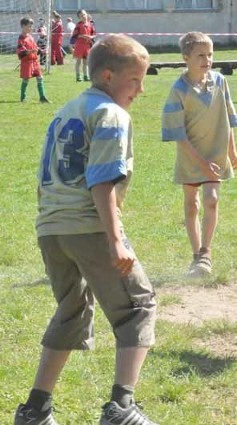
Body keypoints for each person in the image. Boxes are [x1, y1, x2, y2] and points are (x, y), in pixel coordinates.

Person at [14, 34, 158, 425]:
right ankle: (122, 409)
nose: (141, 90)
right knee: (138, 307)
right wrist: (114, 240)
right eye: (135, 80)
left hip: (51, 228)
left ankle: (35, 410)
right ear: (109, 76)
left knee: (72, 310)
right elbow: (101, 181)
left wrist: (51, 223)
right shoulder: (112, 115)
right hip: (89, 226)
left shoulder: (68, 108)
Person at [161, 32, 237, 277]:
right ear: (186, 58)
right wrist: (201, 162)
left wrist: (232, 151)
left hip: (216, 154)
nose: (207, 60)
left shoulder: (220, 82)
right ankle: (196, 254)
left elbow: (228, 119)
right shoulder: (178, 90)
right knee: (192, 204)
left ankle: (206, 254)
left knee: (211, 199)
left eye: (210, 54)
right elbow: (178, 133)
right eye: (200, 55)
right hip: (191, 155)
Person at [16, 17, 49, 103]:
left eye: (31, 26)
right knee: (26, 79)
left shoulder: (30, 37)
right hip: (27, 62)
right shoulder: (21, 38)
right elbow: (20, 52)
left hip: (35, 61)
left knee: (40, 78)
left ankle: (42, 97)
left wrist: (42, 51)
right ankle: (22, 97)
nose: (31, 28)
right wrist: (30, 51)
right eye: (29, 26)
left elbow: (35, 47)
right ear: (23, 26)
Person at [71, 9, 96, 81]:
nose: (83, 16)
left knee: (86, 62)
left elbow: (94, 34)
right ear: (79, 17)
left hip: (87, 45)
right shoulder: (78, 25)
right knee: (78, 61)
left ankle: (86, 76)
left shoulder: (90, 24)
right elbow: (75, 35)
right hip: (79, 45)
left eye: (84, 14)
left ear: (87, 15)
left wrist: (91, 37)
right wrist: (82, 36)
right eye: (81, 16)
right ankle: (78, 76)